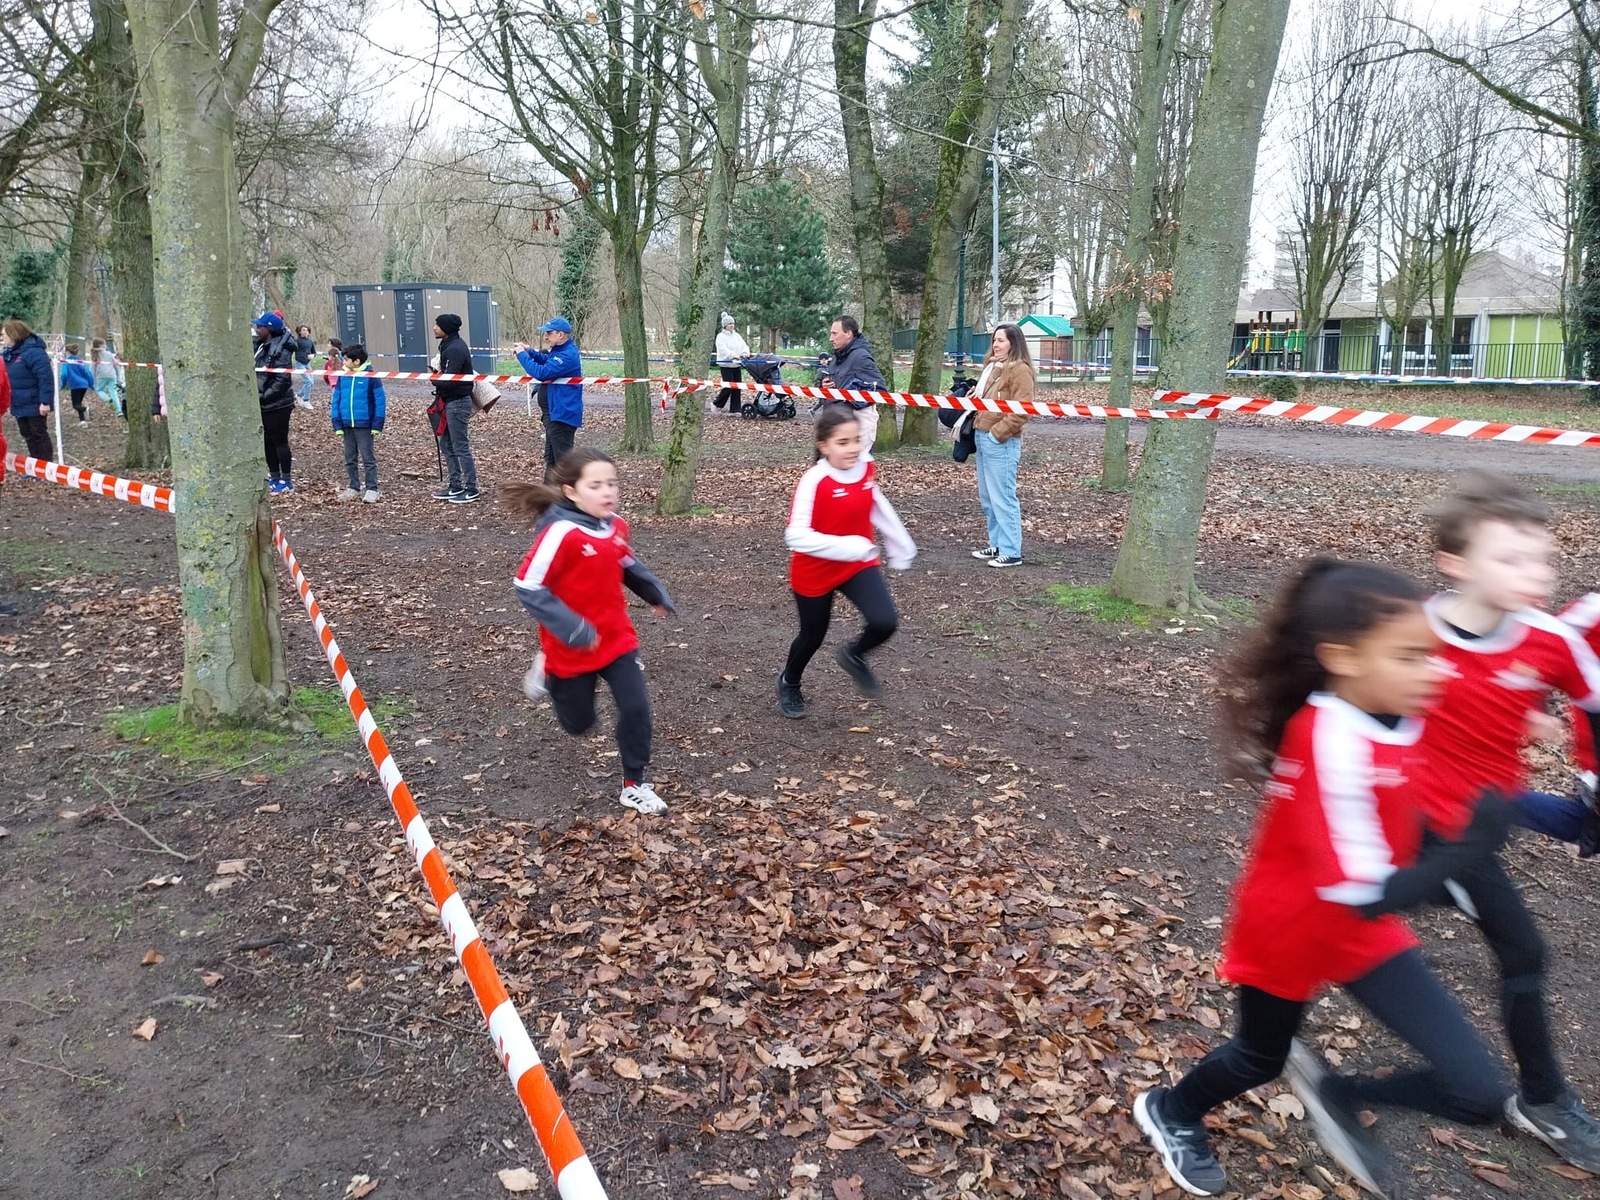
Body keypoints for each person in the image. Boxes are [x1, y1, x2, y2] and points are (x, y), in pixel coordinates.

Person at [1134, 558, 1512, 1197]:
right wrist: (1464, 856)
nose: (1435, 671)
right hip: (1292, 926)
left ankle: (1342, 1094)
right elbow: (1359, 890)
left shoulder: (1404, 712)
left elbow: (1411, 808)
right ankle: (1171, 1110)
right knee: (1259, 1057)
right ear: (1343, 659)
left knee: (1478, 1093)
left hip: (1362, 930)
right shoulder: (1326, 736)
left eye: (1432, 654)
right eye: (1410, 657)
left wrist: (1468, 848)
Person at [1409, 473, 1600, 1170]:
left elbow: (1593, 700)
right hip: (1424, 821)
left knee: (1392, 911)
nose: (1537, 574)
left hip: (1484, 818)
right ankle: (1542, 1100)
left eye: (1542, 559)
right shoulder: (1409, 630)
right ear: (1456, 565)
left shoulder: (1552, 640)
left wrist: (1540, 717)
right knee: (1522, 949)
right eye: (1512, 559)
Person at [507, 447, 674, 817]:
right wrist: (575, 630)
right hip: (571, 645)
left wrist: (654, 594)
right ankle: (547, 668)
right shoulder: (560, 533)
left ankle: (634, 784)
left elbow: (627, 564)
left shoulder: (615, 526)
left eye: (612, 483)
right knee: (579, 724)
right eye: (595, 485)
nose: (607, 492)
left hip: (617, 638)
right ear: (572, 492)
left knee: (636, 708)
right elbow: (527, 585)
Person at [777, 405, 915, 719]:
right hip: (815, 571)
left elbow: (875, 501)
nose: (853, 448)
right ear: (824, 445)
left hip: (857, 564)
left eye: (856, 440)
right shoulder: (814, 480)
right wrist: (849, 546)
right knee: (812, 636)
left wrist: (900, 542)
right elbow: (795, 536)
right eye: (843, 442)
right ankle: (789, 682)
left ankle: (854, 654)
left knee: (885, 622)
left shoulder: (865, 465)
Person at [969, 323, 1034, 569]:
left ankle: (1011, 551)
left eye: (1001, 340)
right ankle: (997, 544)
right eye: (994, 340)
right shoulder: (993, 367)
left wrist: (998, 434)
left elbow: (1022, 410)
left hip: (1000, 441)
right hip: (982, 435)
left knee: (1003, 497)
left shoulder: (1019, 370)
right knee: (988, 497)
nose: (995, 345)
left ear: (1013, 343)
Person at [515, 318, 583, 481]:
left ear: (561, 335)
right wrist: (529, 351)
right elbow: (546, 361)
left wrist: (522, 355)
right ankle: (548, 494)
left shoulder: (567, 355)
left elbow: (542, 373)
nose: (545, 337)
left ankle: (569, 493)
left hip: (562, 415)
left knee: (563, 464)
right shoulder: (560, 350)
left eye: (549, 333)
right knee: (552, 461)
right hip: (554, 414)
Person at [430, 313, 480, 503]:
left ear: (446, 328)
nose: (434, 328)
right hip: (448, 401)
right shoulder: (448, 345)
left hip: (458, 403)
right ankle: (455, 484)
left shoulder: (456, 349)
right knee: (446, 444)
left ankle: (471, 488)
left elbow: (450, 380)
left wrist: (434, 378)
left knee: (460, 446)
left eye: (437, 325)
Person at [821, 315, 889, 454]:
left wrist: (851, 398)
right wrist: (825, 387)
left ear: (848, 333)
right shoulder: (836, 358)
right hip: (835, 426)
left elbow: (880, 389)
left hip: (855, 431)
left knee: (856, 467)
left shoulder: (860, 357)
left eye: (835, 333)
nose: (831, 338)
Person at [329, 343, 385, 503]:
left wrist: (377, 424)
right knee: (349, 458)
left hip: (364, 425)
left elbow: (380, 400)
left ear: (357, 361)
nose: (343, 362)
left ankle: (372, 489)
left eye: (346, 359)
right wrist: (337, 422)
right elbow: (336, 399)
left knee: (368, 458)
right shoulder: (343, 376)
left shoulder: (371, 377)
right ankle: (353, 487)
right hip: (346, 424)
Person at [253, 311, 298, 493]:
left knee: (279, 441)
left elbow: (282, 380)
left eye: (260, 327)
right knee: (267, 442)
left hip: (278, 404)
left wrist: (264, 396)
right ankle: (274, 476)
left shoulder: (282, 350)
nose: (256, 329)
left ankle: (286, 480)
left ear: (269, 329)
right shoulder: (260, 345)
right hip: (262, 403)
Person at [1, 319, 54, 462]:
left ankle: (46, 464)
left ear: (13, 335)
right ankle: (35, 464)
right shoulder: (9, 354)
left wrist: (45, 402)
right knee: (27, 434)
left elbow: (45, 378)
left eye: (4, 335)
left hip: (34, 402)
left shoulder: (34, 352)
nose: (2, 338)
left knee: (39, 434)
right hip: (18, 402)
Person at [714, 313, 750, 414]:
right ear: (725, 325)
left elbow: (744, 345)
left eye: (733, 323)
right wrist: (733, 355)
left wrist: (745, 353)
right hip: (726, 365)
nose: (732, 325)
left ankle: (735, 409)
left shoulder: (737, 336)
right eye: (729, 324)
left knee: (737, 386)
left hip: (736, 364)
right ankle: (717, 404)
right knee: (728, 386)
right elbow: (723, 350)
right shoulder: (720, 337)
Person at [58, 342, 95, 427]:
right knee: (79, 403)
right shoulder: (80, 361)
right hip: (84, 385)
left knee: (75, 405)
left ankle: (86, 409)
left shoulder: (66, 361)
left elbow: (64, 374)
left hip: (75, 385)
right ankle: (82, 421)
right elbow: (87, 373)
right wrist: (91, 384)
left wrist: (62, 384)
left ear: (67, 352)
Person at [91, 338, 122, 414]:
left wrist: (93, 379)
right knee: (114, 392)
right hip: (112, 375)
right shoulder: (109, 354)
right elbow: (115, 365)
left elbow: (93, 368)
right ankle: (119, 410)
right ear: (101, 345)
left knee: (99, 390)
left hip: (101, 376)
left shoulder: (94, 355)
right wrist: (118, 377)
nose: (106, 345)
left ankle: (108, 399)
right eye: (105, 344)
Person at [293, 324, 316, 410]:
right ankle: (306, 401)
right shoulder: (297, 341)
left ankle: (299, 395)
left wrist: (313, 356)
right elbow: (296, 354)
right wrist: (305, 357)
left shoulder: (310, 341)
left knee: (311, 383)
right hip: (300, 364)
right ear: (300, 332)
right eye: (303, 330)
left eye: (306, 330)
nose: (305, 332)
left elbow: (314, 352)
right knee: (308, 381)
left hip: (308, 364)